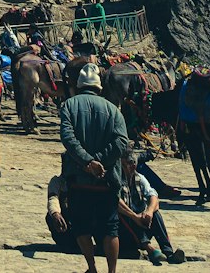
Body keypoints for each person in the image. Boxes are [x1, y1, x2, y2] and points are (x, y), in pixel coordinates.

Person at [58, 62, 130, 273]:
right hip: (107, 180)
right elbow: (121, 142)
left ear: (79, 86)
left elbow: (68, 137)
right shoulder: (113, 110)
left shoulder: (69, 106)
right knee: (110, 228)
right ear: (99, 87)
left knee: (81, 226)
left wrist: (87, 162)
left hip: (79, 179)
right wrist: (100, 162)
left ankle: (91, 267)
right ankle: (112, 271)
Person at [118, 151, 185, 264]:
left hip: (140, 222)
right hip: (125, 227)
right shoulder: (117, 180)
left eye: (125, 165)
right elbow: (117, 203)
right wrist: (135, 217)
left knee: (156, 214)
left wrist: (149, 212)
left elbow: (153, 196)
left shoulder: (140, 178)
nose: (122, 168)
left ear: (133, 166)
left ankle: (168, 253)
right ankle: (150, 249)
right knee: (127, 214)